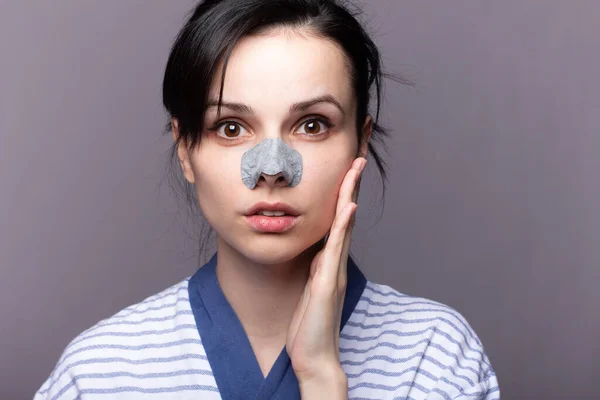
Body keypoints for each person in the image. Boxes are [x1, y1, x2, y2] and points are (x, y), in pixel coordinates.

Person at [34, 0, 500, 399]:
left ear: (360, 142)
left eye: (312, 124)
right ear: (185, 150)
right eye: (231, 128)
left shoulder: (436, 358)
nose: (271, 168)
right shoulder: (97, 374)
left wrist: (320, 377)